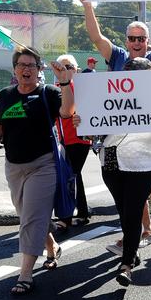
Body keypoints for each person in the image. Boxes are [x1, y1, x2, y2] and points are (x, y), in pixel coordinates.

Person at [75, 58, 151, 286]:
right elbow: (92, 135)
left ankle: (126, 265)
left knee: (131, 213)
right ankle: (132, 250)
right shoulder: (106, 95)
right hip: (111, 163)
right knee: (124, 212)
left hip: (143, 164)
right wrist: (83, 123)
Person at [0, 46, 75, 295]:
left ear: (39, 70)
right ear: (15, 69)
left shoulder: (48, 93)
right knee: (29, 215)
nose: (26, 70)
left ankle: (25, 274)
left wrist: (65, 84)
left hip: (43, 165)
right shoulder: (6, 95)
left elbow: (67, 112)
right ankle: (51, 247)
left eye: (31, 66)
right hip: (13, 167)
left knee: (30, 219)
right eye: (22, 65)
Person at [79, 0, 151, 70]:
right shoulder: (118, 57)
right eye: (132, 38)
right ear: (127, 42)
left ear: (147, 41)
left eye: (141, 39)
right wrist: (87, 6)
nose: (136, 42)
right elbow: (96, 38)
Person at [54, 54, 92, 229]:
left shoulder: (81, 88)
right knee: (73, 175)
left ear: (76, 70)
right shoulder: (54, 89)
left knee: (71, 174)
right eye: (62, 67)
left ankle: (68, 216)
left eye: (69, 67)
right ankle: (81, 212)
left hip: (79, 140)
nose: (65, 70)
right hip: (62, 141)